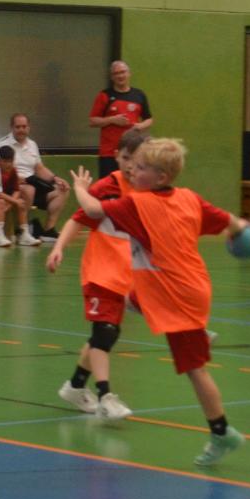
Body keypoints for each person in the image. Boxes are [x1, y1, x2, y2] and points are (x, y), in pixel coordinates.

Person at [70, 137, 250, 466]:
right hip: (188, 287)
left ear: (161, 177)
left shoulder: (138, 205)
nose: (134, 170)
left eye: (142, 168)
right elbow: (230, 221)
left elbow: (93, 210)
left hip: (174, 295)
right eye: (134, 165)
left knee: (195, 370)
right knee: (125, 297)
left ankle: (222, 432)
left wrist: (80, 188)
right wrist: (241, 232)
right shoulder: (189, 198)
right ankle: (195, 334)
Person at [47, 128, 151, 420]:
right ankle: (106, 396)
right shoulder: (108, 187)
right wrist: (59, 247)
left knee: (107, 335)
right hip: (99, 272)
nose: (130, 166)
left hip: (125, 276)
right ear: (116, 156)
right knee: (103, 333)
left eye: (138, 161)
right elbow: (78, 219)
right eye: (126, 158)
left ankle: (75, 386)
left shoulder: (146, 189)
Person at [0, 113, 69, 244]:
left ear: (29, 127)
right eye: (18, 127)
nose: (21, 130)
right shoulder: (0, 144)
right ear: (11, 127)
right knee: (29, 189)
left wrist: (56, 179)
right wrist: (15, 179)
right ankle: (22, 232)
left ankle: (48, 231)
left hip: (32, 183)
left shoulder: (32, 145)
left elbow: (39, 168)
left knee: (62, 189)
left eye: (24, 126)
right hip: (12, 187)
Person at [88, 60, 153, 178]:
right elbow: (92, 121)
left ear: (129, 73)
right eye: (116, 73)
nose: (120, 76)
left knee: (132, 183)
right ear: (112, 77)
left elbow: (149, 119)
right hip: (109, 153)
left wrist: (140, 126)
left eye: (123, 72)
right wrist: (112, 120)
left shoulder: (139, 95)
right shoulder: (104, 95)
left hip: (132, 151)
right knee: (109, 185)